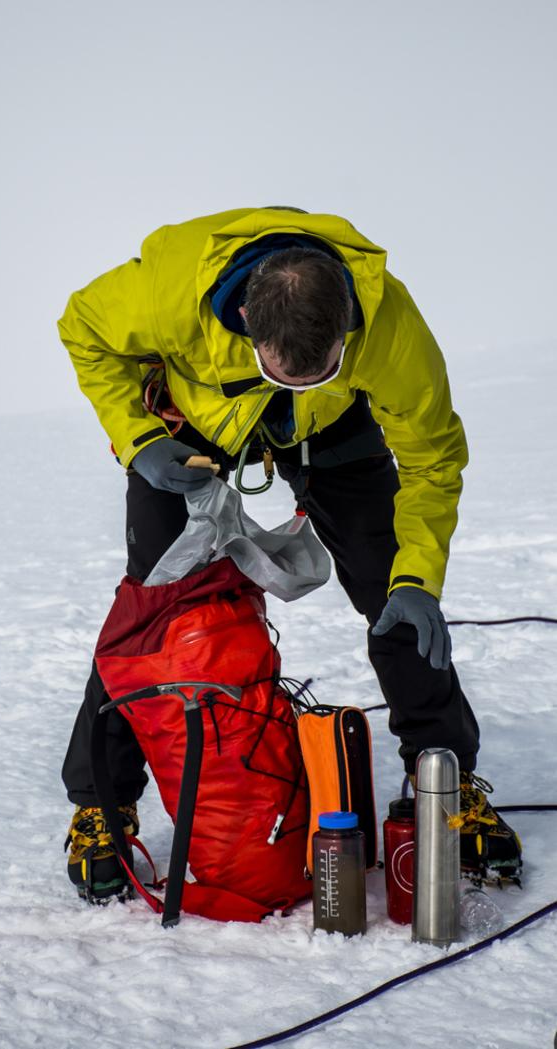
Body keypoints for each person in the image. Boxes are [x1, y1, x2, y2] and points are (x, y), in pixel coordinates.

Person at [57, 206, 521, 904]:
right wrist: (138, 439)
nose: (299, 378)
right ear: (244, 317)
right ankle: (101, 801)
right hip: (195, 424)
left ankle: (444, 775)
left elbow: (431, 455)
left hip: (332, 432)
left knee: (394, 594)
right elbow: (83, 328)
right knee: (154, 605)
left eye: (324, 365)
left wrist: (419, 576)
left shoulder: (387, 324)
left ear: (348, 325)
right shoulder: (168, 294)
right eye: (285, 368)